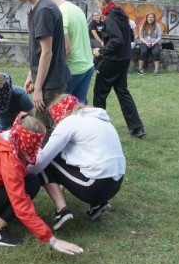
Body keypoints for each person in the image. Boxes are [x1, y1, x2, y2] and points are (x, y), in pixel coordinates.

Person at [0, 112, 83, 255]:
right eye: (35, 145)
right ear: (28, 143)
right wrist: (52, 240)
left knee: (30, 180)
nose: (37, 149)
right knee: (31, 184)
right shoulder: (11, 161)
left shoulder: (9, 139)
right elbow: (21, 205)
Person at [27, 95, 125, 229]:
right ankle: (97, 204)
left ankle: (62, 210)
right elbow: (79, 157)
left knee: (46, 160)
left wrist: (20, 174)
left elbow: (42, 161)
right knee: (63, 158)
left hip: (96, 185)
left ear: (60, 116)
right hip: (115, 183)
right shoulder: (98, 119)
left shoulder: (69, 122)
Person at [1, 0, 71, 141]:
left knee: (43, 131)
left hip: (51, 82)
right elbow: (38, 49)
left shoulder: (44, 10)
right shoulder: (35, 8)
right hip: (46, 79)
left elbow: (47, 52)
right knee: (44, 129)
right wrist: (30, 76)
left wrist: (38, 88)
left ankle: (46, 168)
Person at [92, 0, 145, 137]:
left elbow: (117, 40)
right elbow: (128, 36)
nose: (97, 5)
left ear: (102, 2)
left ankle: (99, 127)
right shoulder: (122, 14)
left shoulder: (110, 17)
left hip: (112, 61)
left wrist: (101, 51)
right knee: (122, 92)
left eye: (97, 2)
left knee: (99, 93)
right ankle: (136, 127)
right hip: (124, 59)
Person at [40, 0, 94, 104]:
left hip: (73, 70)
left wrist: (53, 72)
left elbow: (66, 49)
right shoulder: (75, 8)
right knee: (80, 110)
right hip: (87, 66)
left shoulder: (61, 13)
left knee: (59, 109)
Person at [0, 72, 34, 146]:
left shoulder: (20, 95)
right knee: (1, 144)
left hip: (22, 123)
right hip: (4, 123)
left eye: (0, 93)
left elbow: (32, 124)